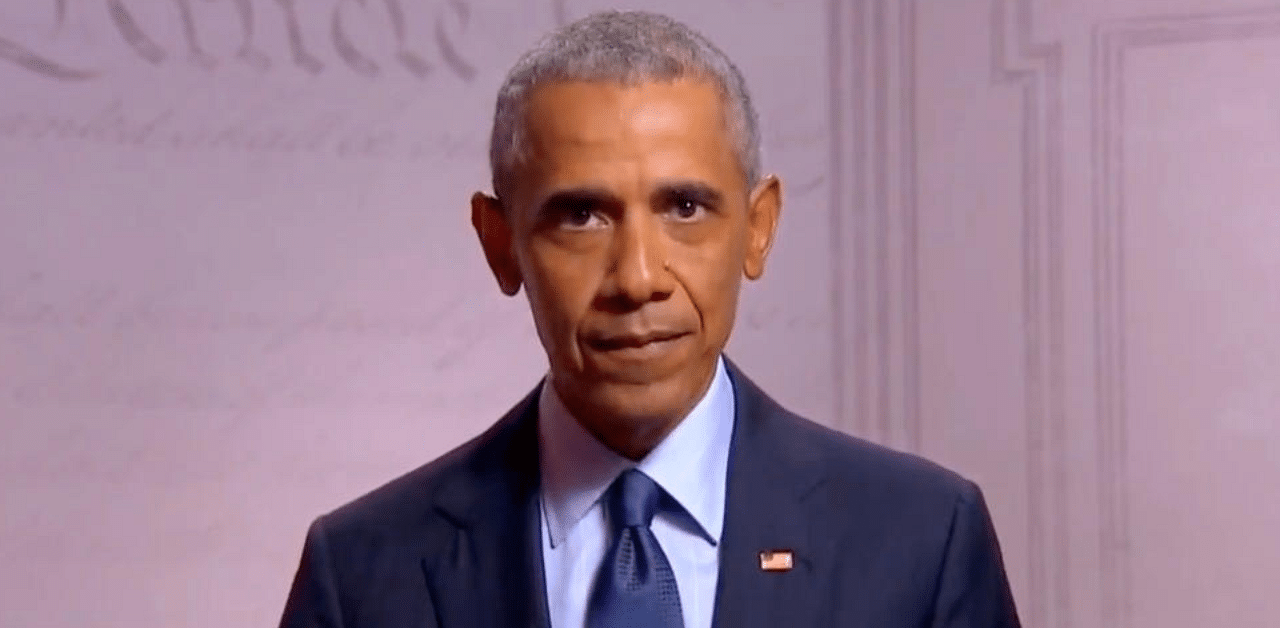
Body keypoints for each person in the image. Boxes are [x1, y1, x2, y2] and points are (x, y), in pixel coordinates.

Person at [278, 9, 1020, 628]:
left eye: (685, 208)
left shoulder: (924, 543)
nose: (637, 278)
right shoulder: (362, 576)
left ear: (758, 227)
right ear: (500, 245)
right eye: (581, 216)